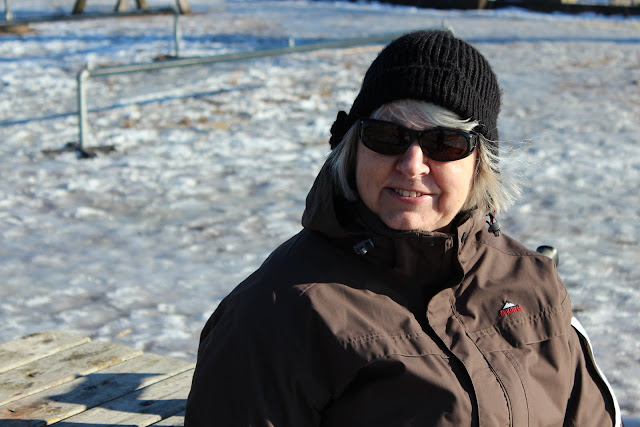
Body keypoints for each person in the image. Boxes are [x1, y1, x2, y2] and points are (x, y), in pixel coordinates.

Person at [185, 30, 621, 426]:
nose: (412, 165)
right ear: (353, 148)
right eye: (387, 136)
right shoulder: (276, 313)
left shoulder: (531, 280)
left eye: (445, 143)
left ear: (479, 164)